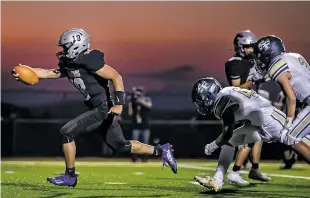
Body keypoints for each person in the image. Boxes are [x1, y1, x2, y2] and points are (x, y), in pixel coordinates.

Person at [12, 28, 177, 187]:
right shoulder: (70, 62)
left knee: (67, 132)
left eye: (65, 46)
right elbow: (50, 73)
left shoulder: (89, 58)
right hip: (98, 108)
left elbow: (116, 77)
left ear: (76, 45)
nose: (63, 50)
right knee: (120, 146)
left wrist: (119, 104)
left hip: (103, 108)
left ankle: (70, 176)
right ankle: (162, 151)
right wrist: (27, 71)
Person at [192, 77, 310, 192]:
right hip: (257, 122)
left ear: (208, 95)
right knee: (229, 142)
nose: (199, 104)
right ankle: (217, 180)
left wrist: (213, 145)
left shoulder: (222, 100)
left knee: (297, 142)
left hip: (269, 118)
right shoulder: (226, 93)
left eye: (199, 100)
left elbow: (228, 132)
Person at [255, 35, 310, 168]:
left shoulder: (276, 66)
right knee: (303, 137)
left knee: (289, 137)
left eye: (261, 55)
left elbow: (290, 97)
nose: (260, 59)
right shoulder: (295, 56)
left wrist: (288, 124)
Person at [224, 30, 270, 186]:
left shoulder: (251, 60)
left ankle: (254, 169)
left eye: (252, 46)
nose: (251, 49)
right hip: (241, 105)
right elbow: (236, 88)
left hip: (252, 103)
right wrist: (252, 82)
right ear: (240, 47)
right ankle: (235, 172)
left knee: (258, 137)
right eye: (248, 46)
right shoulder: (234, 63)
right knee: (249, 138)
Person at [128, 86, 152, 162]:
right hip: (136, 125)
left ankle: (145, 158)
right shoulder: (133, 102)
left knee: (145, 142)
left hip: (145, 125)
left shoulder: (147, 99)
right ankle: (135, 158)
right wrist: (132, 101)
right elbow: (130, 113)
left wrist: (140, 101)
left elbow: (149, 105)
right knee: (135, 143)